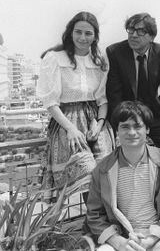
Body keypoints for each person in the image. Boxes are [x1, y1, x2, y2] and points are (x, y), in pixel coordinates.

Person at [86, 101, 160, 251]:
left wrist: (151, 238)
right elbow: (94, 215)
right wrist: (118, 242)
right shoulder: (103, 169)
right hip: (121, 236)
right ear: (117, 131)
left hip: (157, 235)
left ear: (147, 129)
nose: (132, 132)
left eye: (137, 126)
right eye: (125, 127)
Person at [37, 11, 114, 200]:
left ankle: (99, 224)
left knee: (104, 176)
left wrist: (100, 123)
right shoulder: (55, 58)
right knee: (86, 174)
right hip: (67, 123)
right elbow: (50, 101)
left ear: (95, 36)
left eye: (88, 33)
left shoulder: (99, 61)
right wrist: (71, 129)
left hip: (95, 123)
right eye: (78, 32)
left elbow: (102, 100)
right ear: (70, 32)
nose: (82, 37)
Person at [106, 13, 160, 189]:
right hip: (126, 117)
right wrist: (119, 128)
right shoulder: (115, 52)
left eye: (140, 31)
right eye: (131, 30)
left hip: (153, 115)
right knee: (131, 156)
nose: (133, 35)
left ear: (151, 36)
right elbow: (114, 94)